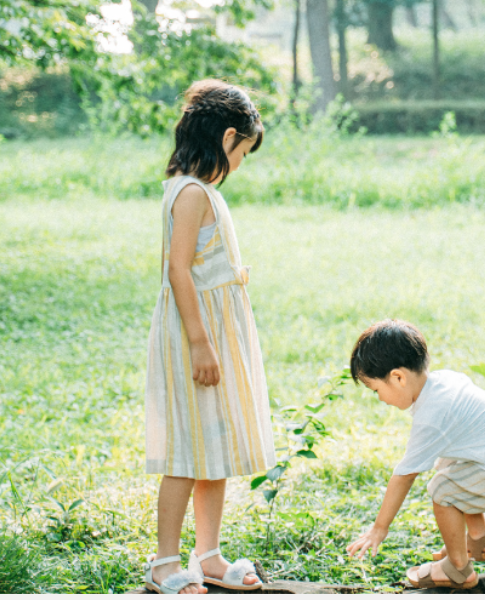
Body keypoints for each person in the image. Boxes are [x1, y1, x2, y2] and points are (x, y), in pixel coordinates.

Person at [143, 79, 275, 594]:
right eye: (242, 152)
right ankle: (164, 562)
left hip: (214, 333)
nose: (240, 163)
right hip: (196, 335)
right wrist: (201, 342)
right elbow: (178, 270)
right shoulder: (192, 193)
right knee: (186, 450)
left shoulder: (200, 191)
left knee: (212, 444)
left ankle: (210, 554)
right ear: (226, 138)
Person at [345, 319, 485, 590]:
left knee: (443, 490)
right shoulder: (444, 381)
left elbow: (404, 475)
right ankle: (480, 539)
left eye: (376, 390)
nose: (380, 399)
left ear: (398, 377)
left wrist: (379, 529)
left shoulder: (432, 416)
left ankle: (458, 568)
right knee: (447, 462)